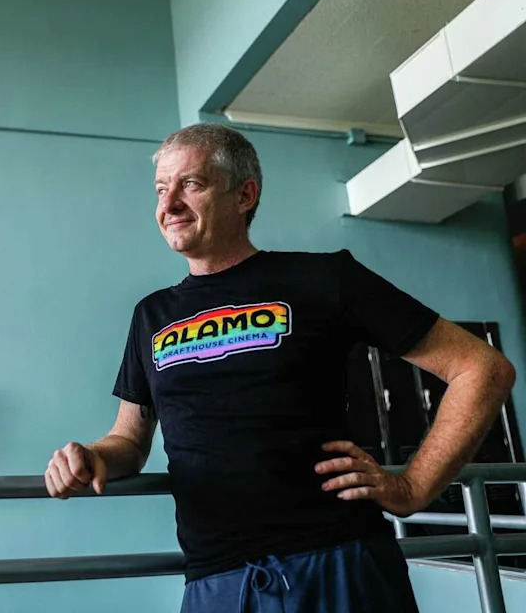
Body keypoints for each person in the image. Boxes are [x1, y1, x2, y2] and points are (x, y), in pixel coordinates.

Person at [44, 123, 516, 612]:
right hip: (217, 580)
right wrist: (92, 457)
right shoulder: (151, 315)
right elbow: (129, 440)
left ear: (244, 195)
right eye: (161, 189)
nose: (170, 205)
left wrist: (414, 485)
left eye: (191, 184)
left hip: (337, 561)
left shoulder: (324, 278)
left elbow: (482, 368)